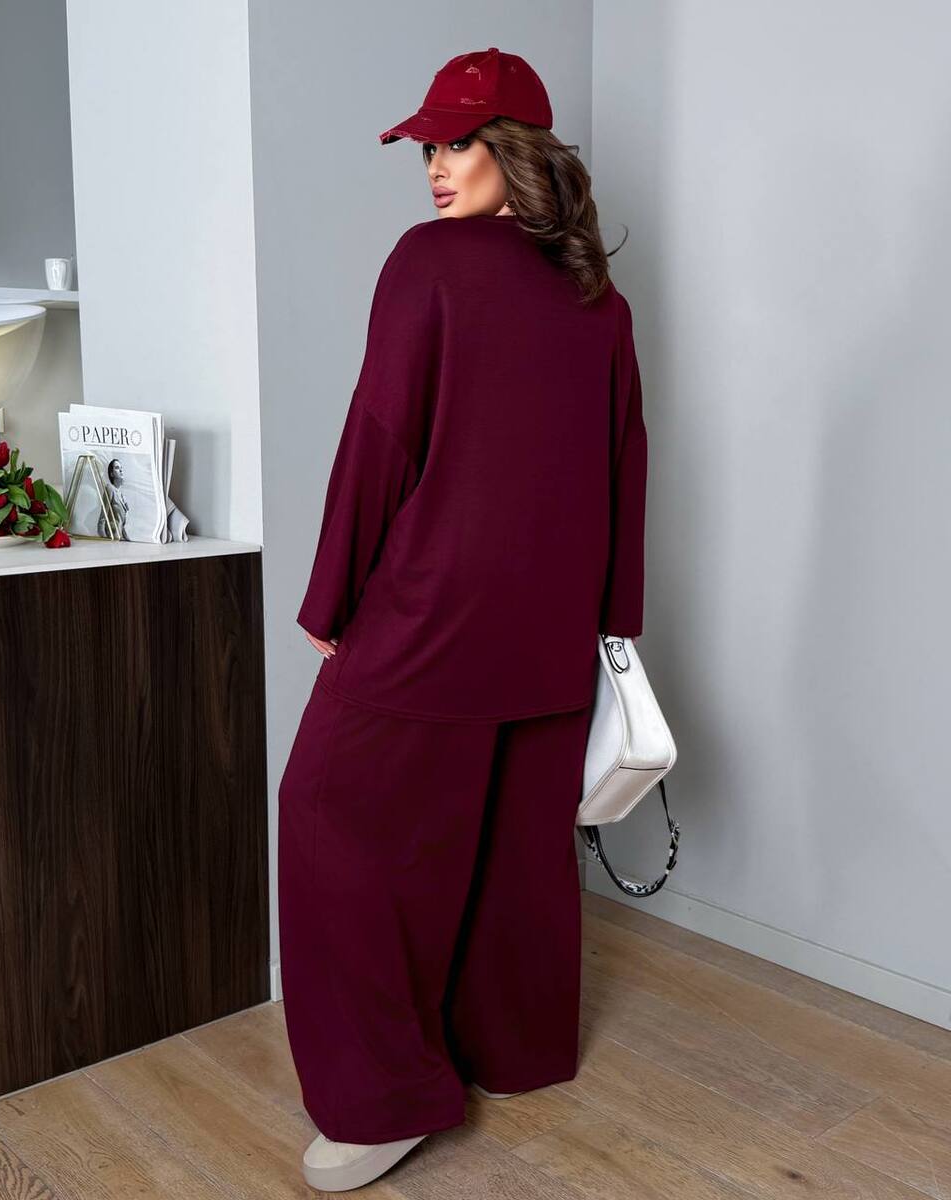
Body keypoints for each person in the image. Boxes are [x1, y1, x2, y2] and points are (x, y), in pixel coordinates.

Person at [278, 45, 648, 1193]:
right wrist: (615, 623)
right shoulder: (599, 300)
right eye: (429, 147)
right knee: (510, 846)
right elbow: (625, 468)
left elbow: (380, 435)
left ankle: (383, 1101)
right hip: (549, 633)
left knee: (328, 817)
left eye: (459, 142)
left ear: (517, 151)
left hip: (430, 621)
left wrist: (332, 596)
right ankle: (516, 1050)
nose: (436, 166)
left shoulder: (429, 263)